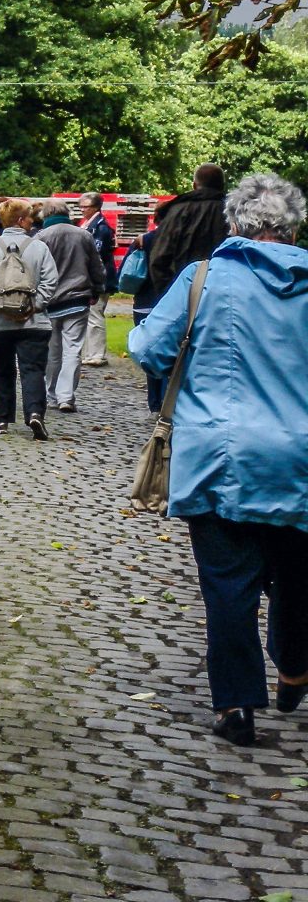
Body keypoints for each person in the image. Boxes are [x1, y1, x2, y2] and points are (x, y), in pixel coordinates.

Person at [130, 173, 308, 748]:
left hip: (218, 456)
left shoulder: (203, 279)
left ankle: (236, 704)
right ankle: (295, 664)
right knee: (297, 575)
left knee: (228, 584)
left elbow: (148, 348)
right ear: (293, 227)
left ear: (234, 224)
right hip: (300, 458)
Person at [0, 198, 58, 437]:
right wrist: (35, 305)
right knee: (33, 369)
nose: (32, 220)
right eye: (29, 216)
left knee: (1, 369)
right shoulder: (38, 247)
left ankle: (0, 419)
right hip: (34, 322)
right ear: (21, 220)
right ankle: (34, 413)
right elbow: (51, 280)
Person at [37, 200, 106, 413]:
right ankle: (66, 396)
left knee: (52, 351)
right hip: (77, 299)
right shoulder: (83, 235)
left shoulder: (41, 238)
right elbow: (96, 266)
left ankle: (50, 395)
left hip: (49, 301)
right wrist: (97, 288)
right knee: (73, 350)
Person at [151, 163, 230, 294]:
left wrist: (171, 295)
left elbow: (159, 259)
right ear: (222, 186)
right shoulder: (234, 213)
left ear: (194, 185)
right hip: (224, 294)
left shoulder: (177, 212)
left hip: (184, 291)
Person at [128, 223, 169, 413]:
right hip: (168, 302)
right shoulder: (178, 242)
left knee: (150, 354)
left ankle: (154, 402)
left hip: (144, 302)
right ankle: (166, 400)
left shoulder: (143, 240)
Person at [80, 193, 118, 366]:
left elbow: (96, 253)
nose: (82, 209)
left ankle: (96, 354)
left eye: (85, 206)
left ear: (95, 207)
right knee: (89, 316)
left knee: (95, 315)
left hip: (100, 279)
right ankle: (89, 353)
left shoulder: (100, 228)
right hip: (93, 277)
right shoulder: (89, 224)